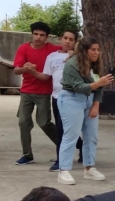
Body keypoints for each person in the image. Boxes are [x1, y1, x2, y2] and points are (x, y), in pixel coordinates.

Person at [55, 37, 114, 185]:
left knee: (91, 136)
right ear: (84, 50)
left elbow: (100, 87)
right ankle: (64, 170)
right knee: (71, 135)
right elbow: (79, 87)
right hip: (71, 99)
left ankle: (89, 168)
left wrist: (96, 105)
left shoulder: (95, 64)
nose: (96, 52)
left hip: (89, 99)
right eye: (93, 49)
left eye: (98, 49)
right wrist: (98, 83)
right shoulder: (71, 64)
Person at [13, 21, 60, 165]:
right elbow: (16, 70)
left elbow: (68, 47)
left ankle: (68, 147)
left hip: (44, 92)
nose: (38, 37)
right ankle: (27, 155)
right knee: (23, 122)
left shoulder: (52, 49)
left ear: (47, 37)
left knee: (44, 123)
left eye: (42, 35)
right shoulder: (24, 49)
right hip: (27, 90)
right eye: (36, 34)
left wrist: (71, 51)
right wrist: (26, 68)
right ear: (32, 34)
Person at [39, 30, 78, 172]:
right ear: (60, 39)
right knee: (60, 129)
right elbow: (46, 76)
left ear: (75, 42)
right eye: (65, 38)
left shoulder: (79, 57)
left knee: (67, 130)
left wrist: (75, 57)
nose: (67, 41)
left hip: (73, 98)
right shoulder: (52, 57)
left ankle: (66, 159)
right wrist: (30, 71)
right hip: (56, 97)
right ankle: (65, 156)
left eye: (71, 39)